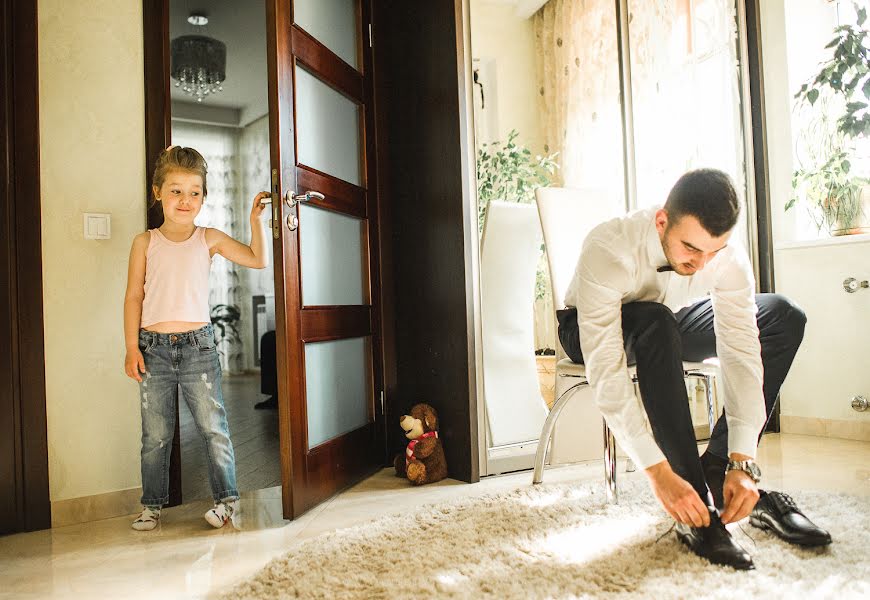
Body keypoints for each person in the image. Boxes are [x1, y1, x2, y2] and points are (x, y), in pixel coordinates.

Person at [558, 168, 831, 570]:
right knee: (654, 322)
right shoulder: (608, 246)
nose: (701, 264)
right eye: (690, 248)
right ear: (662, 220)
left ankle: (719, 472)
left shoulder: (725, 258)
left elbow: (740, 349)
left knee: (782, 315)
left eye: (713, 253)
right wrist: (657, 471)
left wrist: (743, 458)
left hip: (667, 321)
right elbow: (606, 371)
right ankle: (694, 504)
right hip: (588, 328)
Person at [123, 146, 270, 531]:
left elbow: (257, 259)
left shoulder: (208, 238)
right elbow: (133, 297)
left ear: (204, 196)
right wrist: (130, 348)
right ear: (157, 192)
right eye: (175, 190)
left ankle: (226, 502)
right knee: (155, 435)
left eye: (194, 191)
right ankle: (152, 505)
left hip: (199, 348)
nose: (185, 200)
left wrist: (257, 220)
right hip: (152, 350)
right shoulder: (145, 242)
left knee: (213, 429)